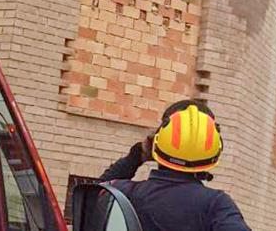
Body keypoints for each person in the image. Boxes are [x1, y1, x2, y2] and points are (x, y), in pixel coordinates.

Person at [100, 99, 252, 231]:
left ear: (156, 143)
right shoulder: (216, 205)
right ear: (214, 152)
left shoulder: (123, 192)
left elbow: (88, 198)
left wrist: (137, 155)